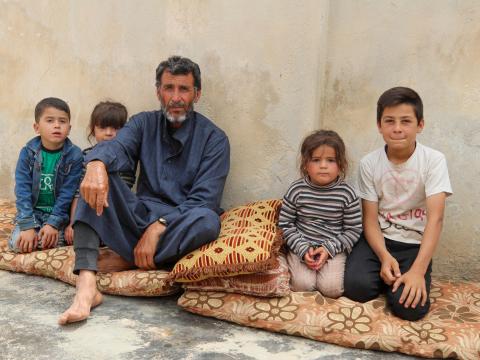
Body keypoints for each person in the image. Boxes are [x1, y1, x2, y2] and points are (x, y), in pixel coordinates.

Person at [59, 56, 230, 325]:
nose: (175, 97)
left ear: (197, 94)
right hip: (139, 215)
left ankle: (127, 258)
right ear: (158, 92)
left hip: (178, 224)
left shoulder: (214, 139)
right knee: (98, 179)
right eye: (168, 88)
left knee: (208, 221)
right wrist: (96, 164)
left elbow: (205, 200)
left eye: (183, 89)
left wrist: (160, 226)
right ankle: (87, 285)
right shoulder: (142, 123)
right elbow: (117, 148)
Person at [344, 87, 452, 321]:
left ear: (420, 125)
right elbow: (370, 219)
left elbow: (436, 219)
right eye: (389, 121)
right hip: (379, 241)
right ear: (379, 125)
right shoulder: (369, 163)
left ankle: (399, 280)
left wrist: (418, 271)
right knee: (356, 289)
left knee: (410, 309)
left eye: (406, 121)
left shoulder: (433, 161)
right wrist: (384, 257)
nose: (397, 128)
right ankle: (386, 275)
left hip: (413, 245)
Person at [278, 130, 362, 298]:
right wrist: (302, 249)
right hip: (301, 246)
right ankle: (286, 261)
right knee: (302, 285)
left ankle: (325, 269)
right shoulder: (297, 190)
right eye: (316, 160)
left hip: (333, 249)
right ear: (305, 164)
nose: (323, 165)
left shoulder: (347, 194)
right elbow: (285, 224)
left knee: (332, 290)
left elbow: (354, 230)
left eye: (330, 160)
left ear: (341, 165)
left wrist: (329, 249)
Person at [8, 97, 83, 253]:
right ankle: (36, 233)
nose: (57, 125)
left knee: (64, 241)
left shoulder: (74, 155)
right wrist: (28, 225)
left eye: (62, 121)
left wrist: (53, 224)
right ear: (37, 127)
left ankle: (50, 234)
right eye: (50, 120)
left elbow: (67, 194)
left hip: (59, 216)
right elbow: (22, 190)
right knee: (18, 244)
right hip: (33, 213)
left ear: (69, 128)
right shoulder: (28, 153)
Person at [64, 101, 135, 244]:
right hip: (89, 215)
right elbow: (79, 194)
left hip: (116, 216)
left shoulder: (128, 160)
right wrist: (73, 223)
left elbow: (124, 197)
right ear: (93, 129)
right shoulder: (86, 158)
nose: (109, 133)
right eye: (102, 127)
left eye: (116, 128)